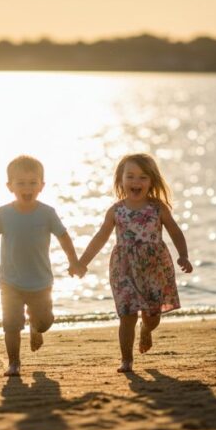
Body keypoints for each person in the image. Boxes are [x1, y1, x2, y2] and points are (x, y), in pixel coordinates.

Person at [0, 155, 85, 377]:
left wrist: (73, 262)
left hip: (41, 282)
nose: (27, 188)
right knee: (11, 324)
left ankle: (37, 328)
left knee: (45, 321)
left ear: (41, 186)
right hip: (10, 282)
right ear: (10, 186)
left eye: (32, 183)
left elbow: (64, 237)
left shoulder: (47, 213)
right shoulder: (3, 214)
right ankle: (14, 363)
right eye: (21, 183)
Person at [78, 153, 193, 373]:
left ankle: (147, 330)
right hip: (124, 269)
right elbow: (100, 237)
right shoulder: (116, 211)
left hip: (154, 268)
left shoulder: (158, 208)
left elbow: (175, 231)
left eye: (142, 177)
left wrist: (183, 255)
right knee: (127, 316)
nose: (136, 182)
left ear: (151, 181)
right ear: (120, 180)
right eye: (130, 176)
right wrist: (83, 263)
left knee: (152, 317)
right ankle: (126, 360)